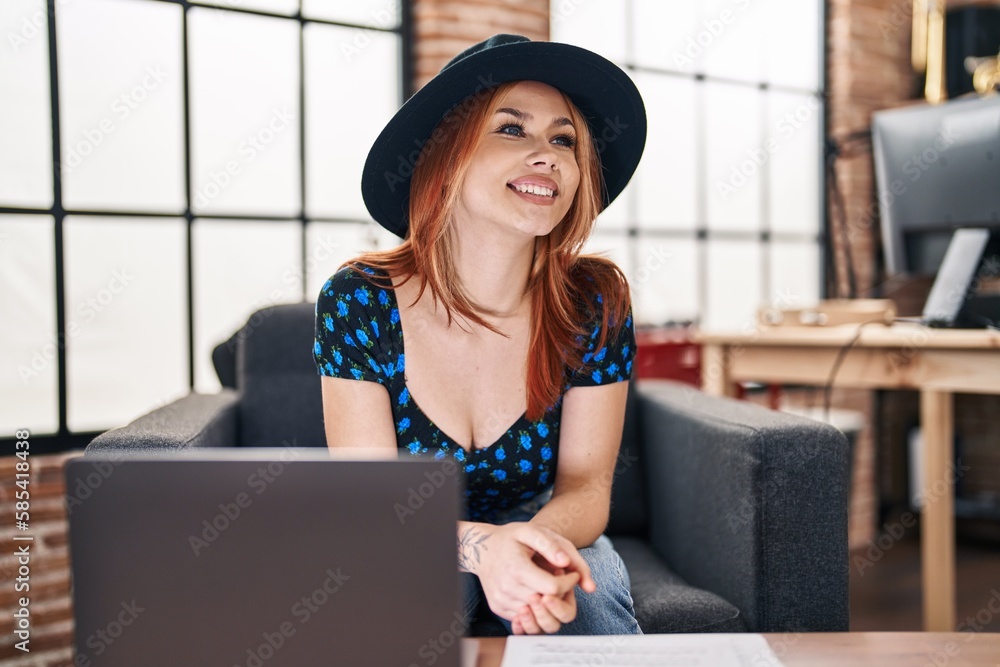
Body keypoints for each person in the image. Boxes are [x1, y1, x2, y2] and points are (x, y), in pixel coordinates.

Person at [313, 34, 647, 636]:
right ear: (447, 158)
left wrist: (527, 550)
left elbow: (587, 487)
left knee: (585, 606)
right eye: (512, 130)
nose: (547, 154)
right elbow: (374, 509)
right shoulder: (359, 300)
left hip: (546, 522)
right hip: (401, 539)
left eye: (563, 139)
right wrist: (482, 551)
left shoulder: (595, 303)